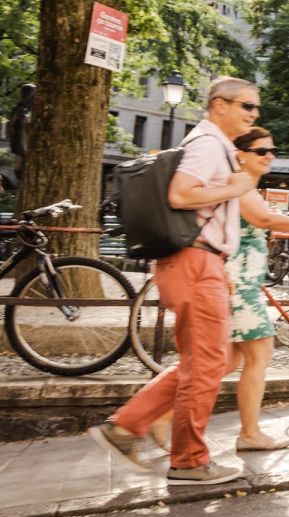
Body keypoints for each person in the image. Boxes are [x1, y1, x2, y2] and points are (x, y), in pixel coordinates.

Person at [87, 77, 261, 486]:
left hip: (197, 262)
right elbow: (182, 195)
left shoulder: (210, 143)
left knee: (204, 361)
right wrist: (235, 185)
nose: (254, 115)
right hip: (195, 262)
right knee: (207, 365)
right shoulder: (208, 144)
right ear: (219, 104)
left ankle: (124, 427)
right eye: (247, 106)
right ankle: (189, 461)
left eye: (255, 109)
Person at [146, 129, 289, 456]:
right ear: (241, 154)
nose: (269, 156)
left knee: (227, 360)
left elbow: (257, 223)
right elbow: (261, 218)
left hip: (240, 281)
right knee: (259, 354)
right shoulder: (237, 181)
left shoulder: (242, 183)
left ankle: (162, 416)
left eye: (272, 150)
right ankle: (249, 433)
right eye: (261, 150)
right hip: (236, 283)